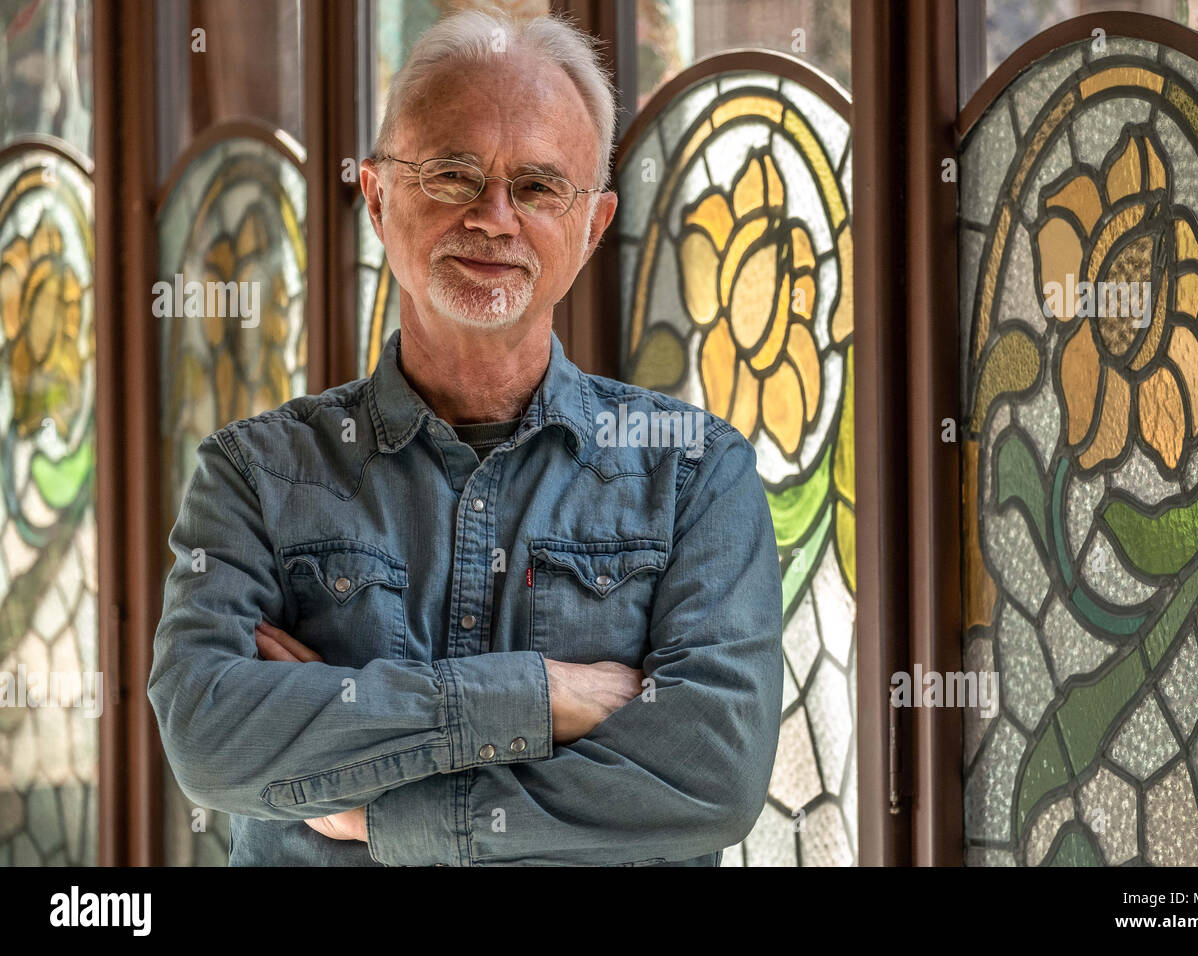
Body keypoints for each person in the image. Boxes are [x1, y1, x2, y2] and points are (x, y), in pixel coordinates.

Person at [148, 8, 782, 866]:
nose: (493, 216)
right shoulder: (256, 474)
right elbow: (210, 737)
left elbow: (711, 775)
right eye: (451, 174)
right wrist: (543, 699)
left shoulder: (697, 474)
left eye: (538, 186)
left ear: (592, 227)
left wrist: (379, 813)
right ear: (377, 196)